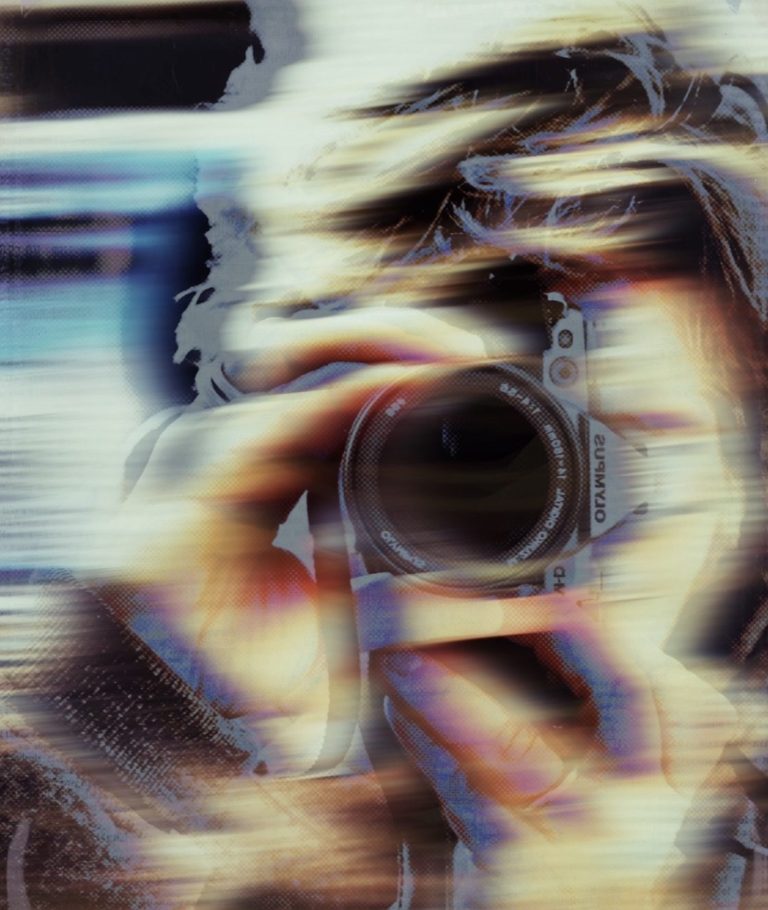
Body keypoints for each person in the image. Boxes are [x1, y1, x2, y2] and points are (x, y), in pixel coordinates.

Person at [3, 5, 767, 909]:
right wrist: (136, 727)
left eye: (623, 464)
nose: (530, 515)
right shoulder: (194, 777)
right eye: (465, 441)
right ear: (325, 446)